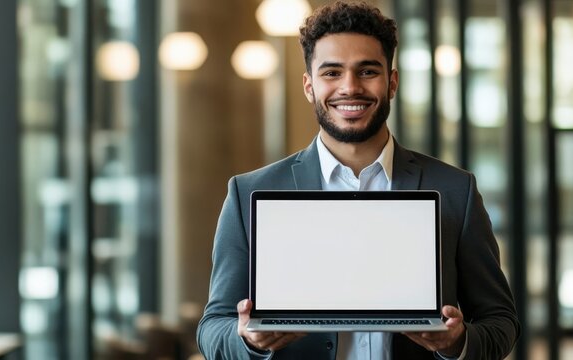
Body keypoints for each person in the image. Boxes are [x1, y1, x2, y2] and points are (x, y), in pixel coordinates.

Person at [196, 1, 520, 359]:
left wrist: (457, 343)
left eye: (367, 71)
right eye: (332, 73)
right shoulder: (249, 193)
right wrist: (249, 340)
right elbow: (213, 330)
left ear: (392, 82)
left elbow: (500, 322)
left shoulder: (455, 191)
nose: (350, 87)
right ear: (309, 86)